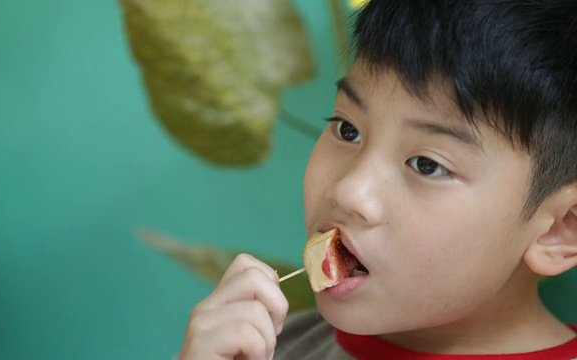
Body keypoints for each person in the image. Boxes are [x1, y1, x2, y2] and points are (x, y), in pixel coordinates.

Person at [178, 0, 577, 358]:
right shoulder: (269, 348)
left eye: (427, 165)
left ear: (560, 229)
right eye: (347, 130)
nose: (348, 191)